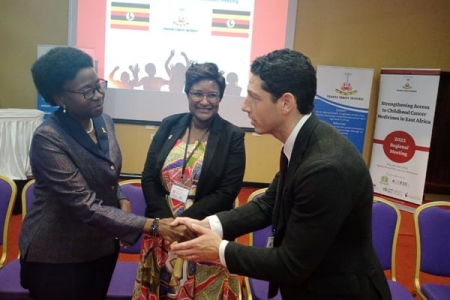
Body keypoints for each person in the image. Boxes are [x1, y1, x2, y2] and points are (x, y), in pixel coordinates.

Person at [170, 49, 392, 300]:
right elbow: (268, 203)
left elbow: (291, 263)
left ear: (286, 103)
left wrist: (219, 250)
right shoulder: (304, 141)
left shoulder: (325, 167)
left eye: (254, 97)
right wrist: (209, 224)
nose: (244, 106)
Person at [19, 46, 194, 300]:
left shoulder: (103, 121)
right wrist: (154, 226)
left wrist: (121, 197)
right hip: (57, 255)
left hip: (100, 246)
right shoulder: (49, 138)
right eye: (87, 91)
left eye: (99, 85)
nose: (99, 94)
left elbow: (105, 170)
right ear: (59, 98)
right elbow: (84, 205)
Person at [132, 62, 245, 299]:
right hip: (162, 228)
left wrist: (185, 224)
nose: (205, 101)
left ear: (220, 98)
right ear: (187, 94)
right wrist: (166, 223)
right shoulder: (169, 124)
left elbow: (227, 191)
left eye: (212, 95)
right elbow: (149, 177)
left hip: (202, 231)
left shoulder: (232, 135)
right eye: (197, 93)